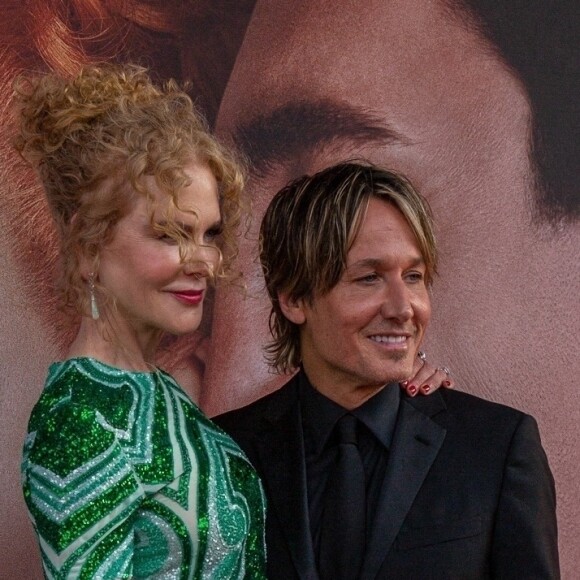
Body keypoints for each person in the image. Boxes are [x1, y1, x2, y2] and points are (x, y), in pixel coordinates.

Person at [215, 162, 559, 578]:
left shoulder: (496, 447)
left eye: (413, 276)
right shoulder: (226, 452)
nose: (403, 308)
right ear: (293, 298)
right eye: (369, 278)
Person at [16, 64, 266, 578]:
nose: (203, 261)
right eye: (170, 234)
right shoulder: (79, 419)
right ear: (87, 245)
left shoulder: (157, 390)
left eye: (210, 234)